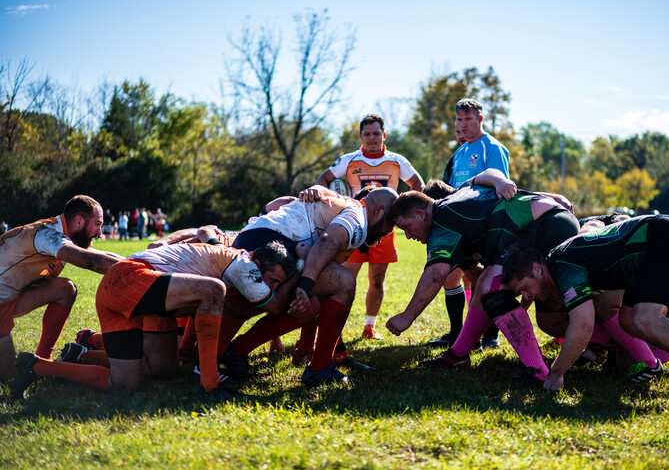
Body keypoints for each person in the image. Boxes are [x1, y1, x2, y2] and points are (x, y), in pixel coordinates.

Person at [500, 215, 669, 407]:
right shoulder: (559, 263)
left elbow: (583, 324)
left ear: (536, 269)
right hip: (652, 250)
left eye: (525, 288)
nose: (527, 296)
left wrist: (556, 374)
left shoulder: (562, 265)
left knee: (646, 319)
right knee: (631, 322)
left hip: (663, 236)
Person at [12, 240, 296, 402]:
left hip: (130, 289)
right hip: (130, 278)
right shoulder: (243, 263)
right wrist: (299, 280)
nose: (269, 286)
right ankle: (210, 386)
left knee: (138, 380)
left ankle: (39, 366)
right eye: (271, 280)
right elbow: (274, 306)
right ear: (258, 264)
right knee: (214, 289)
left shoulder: (233, 261)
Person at [387, 170, 579, 382]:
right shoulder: (459, 200)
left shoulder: (443, 221)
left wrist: (407, 316)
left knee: (492, 286)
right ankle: (458, 355)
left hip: (549, 223)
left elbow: (436, 274)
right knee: (486, 286)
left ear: (421, 214)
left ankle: (537, 370)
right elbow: (485, 175)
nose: (408, 235)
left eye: (406, 227)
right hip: (553, 219)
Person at [228, 184, 399, 385]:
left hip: (255, 238)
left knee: (311, 305)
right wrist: (304, 286)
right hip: (268, 242)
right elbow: (327, 242)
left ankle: (233, 351)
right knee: (344, 283)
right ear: (379, 211)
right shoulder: (358, 218)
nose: (387, 233)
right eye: (391, 224)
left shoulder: (346, 205)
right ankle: (320, 369)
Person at [315, 114, 423, 340]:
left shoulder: (397, 161)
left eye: (376, 134)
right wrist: (331, 199)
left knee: (377, 280)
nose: (372, 138)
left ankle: (369, 327)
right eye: (367, 134)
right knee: (343, 279)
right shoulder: (349, 160)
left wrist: (401, 211)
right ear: (360, 136)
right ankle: (334, 330)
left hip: (384, 232)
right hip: (354, 229)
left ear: (384, 135)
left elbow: (417, 185)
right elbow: (322, 179)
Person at [0, 195, 122, 381]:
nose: (99, 232)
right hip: (3, 302)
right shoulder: (48, 235)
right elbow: (90, 260)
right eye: (97, 224)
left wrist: (141, 264)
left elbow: (101, 254)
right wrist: (135, 273)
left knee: (65, 288)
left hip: (9, 299)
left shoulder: (63, 234)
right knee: (7, 378)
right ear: (79, 221)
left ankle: (42, 359)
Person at [430, 100, 512, 350]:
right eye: (459, 120)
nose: (463, 125)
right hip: (462, 225)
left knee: (487, 277)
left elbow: (500, 188)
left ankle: (490, 336)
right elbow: (455, 191)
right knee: (455, 273)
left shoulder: (492, 147)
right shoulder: (461, 152)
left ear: (480, 120)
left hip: (487, 226)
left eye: (468, 119)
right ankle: (458, 332)